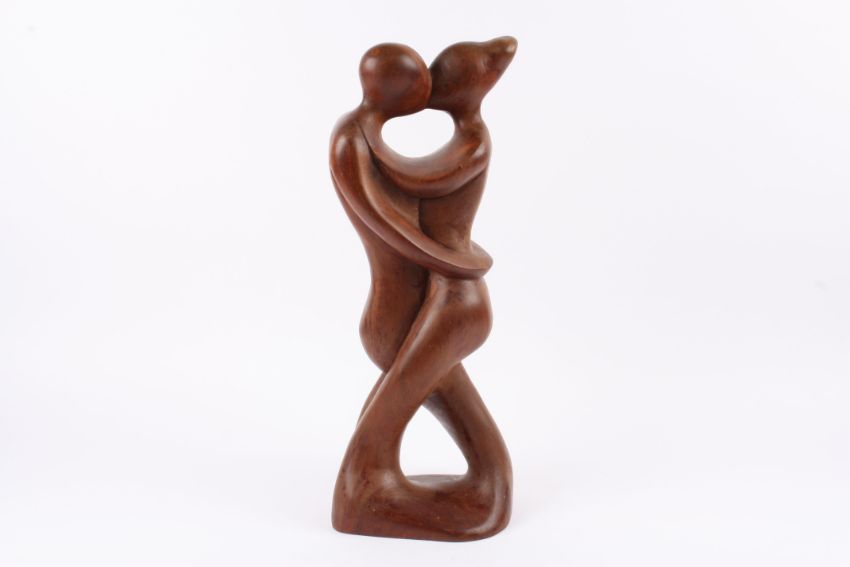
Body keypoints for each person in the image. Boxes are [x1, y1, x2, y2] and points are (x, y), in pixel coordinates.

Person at [329, 38, 516, 541]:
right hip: (439, 297)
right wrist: (456, 261)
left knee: (384, 418)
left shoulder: (473, 140)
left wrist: (457, 264)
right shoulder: (353, 138)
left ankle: (364, 497)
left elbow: (419, 182)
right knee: (406, 409)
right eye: (419, 81)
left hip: (453, 303)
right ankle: (480, 488)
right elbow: (405, 191)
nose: (427, 89)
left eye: (435, 80)